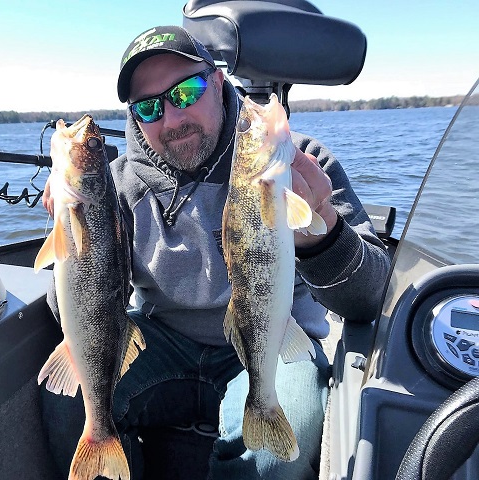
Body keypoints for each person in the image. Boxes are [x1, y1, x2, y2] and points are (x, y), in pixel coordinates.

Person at [40, 25, 390, 479]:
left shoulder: (298, 161)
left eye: (186, 92)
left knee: (279, 449)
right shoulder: (115, 186)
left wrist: (323, 232)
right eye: (148, 107)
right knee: (72, 399)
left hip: (271, 340)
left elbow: (370, 296)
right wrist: (68, 232)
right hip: (162, 344)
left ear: (219, 81)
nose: (171, 119)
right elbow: (76, 311)